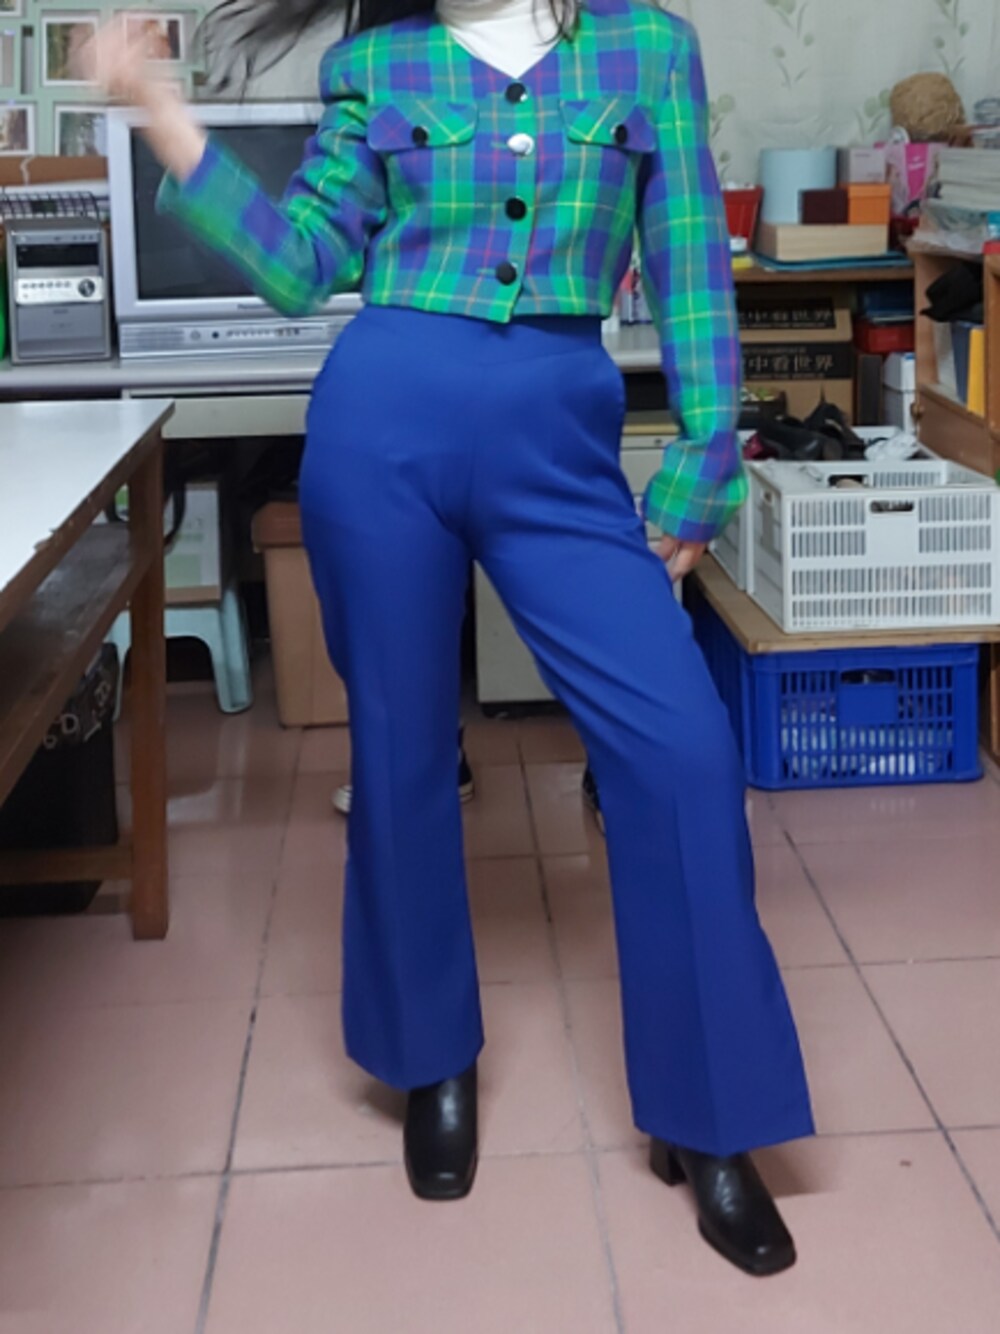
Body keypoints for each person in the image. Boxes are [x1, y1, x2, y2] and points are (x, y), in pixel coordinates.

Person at [85, 0, 814, 1277]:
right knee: (402, 756)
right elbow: (298, 268)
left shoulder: (647, 49)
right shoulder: (376, 64)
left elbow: (689, 263)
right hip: (381, 436)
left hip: (559, 449)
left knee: (683, 752)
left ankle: (710, 1116)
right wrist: (158, 109)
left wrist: (706, 460)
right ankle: (431, 1059)